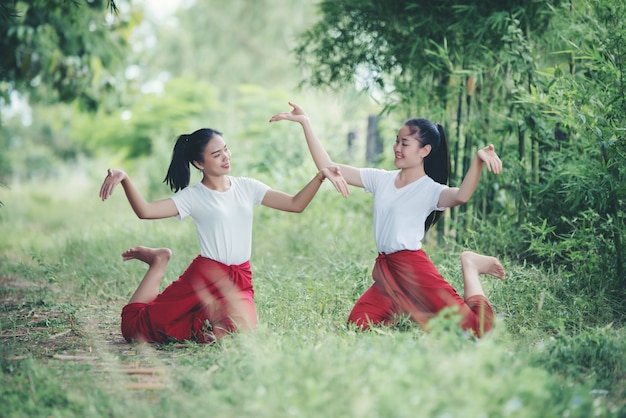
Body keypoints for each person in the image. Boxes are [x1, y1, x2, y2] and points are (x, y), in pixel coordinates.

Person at [269, 102, 505, 337]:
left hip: (414, 269)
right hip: (388, 270)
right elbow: (329, 167)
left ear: (425, 151)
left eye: (405, 143)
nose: (397, 148)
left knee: (478, 331)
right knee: (358, 324)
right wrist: (305, 123)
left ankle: (471, 264)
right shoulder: (381, 179)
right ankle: (405, 305)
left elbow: (462, 195)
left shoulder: (430, 190)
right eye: (396, 141)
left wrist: (478, 160)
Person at [99, 127, 340, 344]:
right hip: (204, 277)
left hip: (239, 278)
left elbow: (295, 204)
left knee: (237, 331)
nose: (226, 157)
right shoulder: (194, 196)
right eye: (216, 155)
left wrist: (320, 176)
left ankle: (201, 322)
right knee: (135, 331)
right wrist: (125, 179)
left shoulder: (247, 186)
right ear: (199, 163)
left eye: (226, 150)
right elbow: (146, 211)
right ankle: (158, 261)